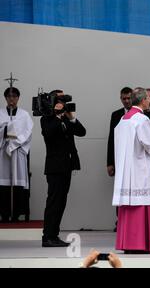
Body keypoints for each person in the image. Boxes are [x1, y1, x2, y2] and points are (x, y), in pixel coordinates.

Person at [112, 87, 150, 254]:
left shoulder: (123, 119)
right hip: (140, 169)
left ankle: (129, 243)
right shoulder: (141, 119)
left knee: (129, 206)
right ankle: (141, 243)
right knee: (142, 203)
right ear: (142, 101)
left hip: (126, 170)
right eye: (148, 99)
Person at [41, 89, 86, 247]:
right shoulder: (46, 119)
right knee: (53, 201)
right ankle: (47, 236)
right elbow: (48, 132)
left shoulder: (67, 118)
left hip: (67, 166)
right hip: (54, 167)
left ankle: (54, 235)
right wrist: (57, 115)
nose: (63, 102)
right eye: (59, 100)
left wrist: (71, 118)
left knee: (61, 202)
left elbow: (82, 132)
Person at [0, 87, 33, 222]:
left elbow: (28, 133)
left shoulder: (24, 115)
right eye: (9, 96)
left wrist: (16, 143)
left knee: (17, 183)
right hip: (3, 153)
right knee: (3, 184)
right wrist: (5, 128)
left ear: (18, 98)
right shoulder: (0, 113)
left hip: (18, 152)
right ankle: (4, 213)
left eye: (14, 96)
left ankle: (16, 213)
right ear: (5, 98)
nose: (11, 99)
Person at [107, 87, 132, 178]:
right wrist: (110, 162)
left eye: (129, 98)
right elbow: (111, 139)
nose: (126, 101)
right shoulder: (116, 115)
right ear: (120, 99)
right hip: (120, 157)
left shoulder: (141, 114)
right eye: (124, 98)